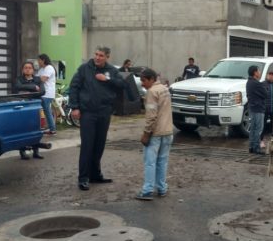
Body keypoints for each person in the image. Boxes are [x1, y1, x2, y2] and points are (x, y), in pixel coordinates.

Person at [69, 46, 127, 191]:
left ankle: (95, 174)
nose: (97, 57)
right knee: (87, 145)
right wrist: (75, 107)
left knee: (99, 144)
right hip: (88, 113)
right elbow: (74, 87)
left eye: (101, 55)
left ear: (107, 57)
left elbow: (122, 85)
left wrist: (106, 79)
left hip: (104, 112)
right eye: (96, 54)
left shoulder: (112, 71)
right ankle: (83, 178)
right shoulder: (84, 69)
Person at [136, 68, 173, 201]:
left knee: (150, 162)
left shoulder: (152, 92)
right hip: (168, 131)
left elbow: (151, 116)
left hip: (155, 133)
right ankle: (162, 188)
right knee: (162, 161)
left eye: (144, 80)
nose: (142, 83)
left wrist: (146, 133)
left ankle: (147, 191)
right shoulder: (164, 89)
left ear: (152, 79)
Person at [14, 61, 46, 160]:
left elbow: (42, 91)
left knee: (37, 128)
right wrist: (33, 87)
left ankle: (36, 151)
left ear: (33, 70)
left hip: (36, 106)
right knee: (22, 128)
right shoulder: (19, 79)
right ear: (23, 70)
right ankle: (22, 151)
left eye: (30, 68)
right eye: (25, 68)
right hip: (23, 106)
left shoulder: (38, 79)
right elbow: (18, 87)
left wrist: (27, 92)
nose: (28, 69)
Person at [246, 65, 266, 155]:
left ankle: (251, 147)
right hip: (258, 108)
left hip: (252, 108)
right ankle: (257, 148)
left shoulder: (248, 82)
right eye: (258, 71)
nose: (259, 72)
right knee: (258, 129)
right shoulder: (257, 83)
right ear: (255, 73)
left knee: (253, 128)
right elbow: (265, 94)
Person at [38, 53, 57, 135]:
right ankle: (51, 128)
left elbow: (43, 79)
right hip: (42, 93)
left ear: (43, 60)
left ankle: (52, 129)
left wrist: (36, 79)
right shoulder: (42, 69)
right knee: (46, 111)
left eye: (39, 60)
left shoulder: (49, 68)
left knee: (47, 111)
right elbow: (36, 78)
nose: (38, 62)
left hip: (47, 93)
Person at [260, 71, 273, 148]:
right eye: (270, 75)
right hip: (265, 108)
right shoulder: (263, 84)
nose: (271, 77)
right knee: (263, 125)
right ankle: (261, 140)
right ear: (267, 76)